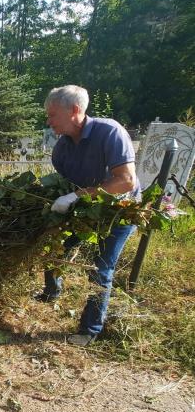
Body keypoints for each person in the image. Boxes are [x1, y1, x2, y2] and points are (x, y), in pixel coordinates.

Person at [36, 85, 141, 346]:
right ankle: (51, 292)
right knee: (53, 247)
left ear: (74, 110)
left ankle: (90, 329)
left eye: (52, 115)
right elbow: (67, 183)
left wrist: (75, 197)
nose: (48, 121)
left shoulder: (110, 132)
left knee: (100, 268)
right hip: (84, 209)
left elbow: (125, 181)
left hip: (118, 212)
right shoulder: (61, 148)